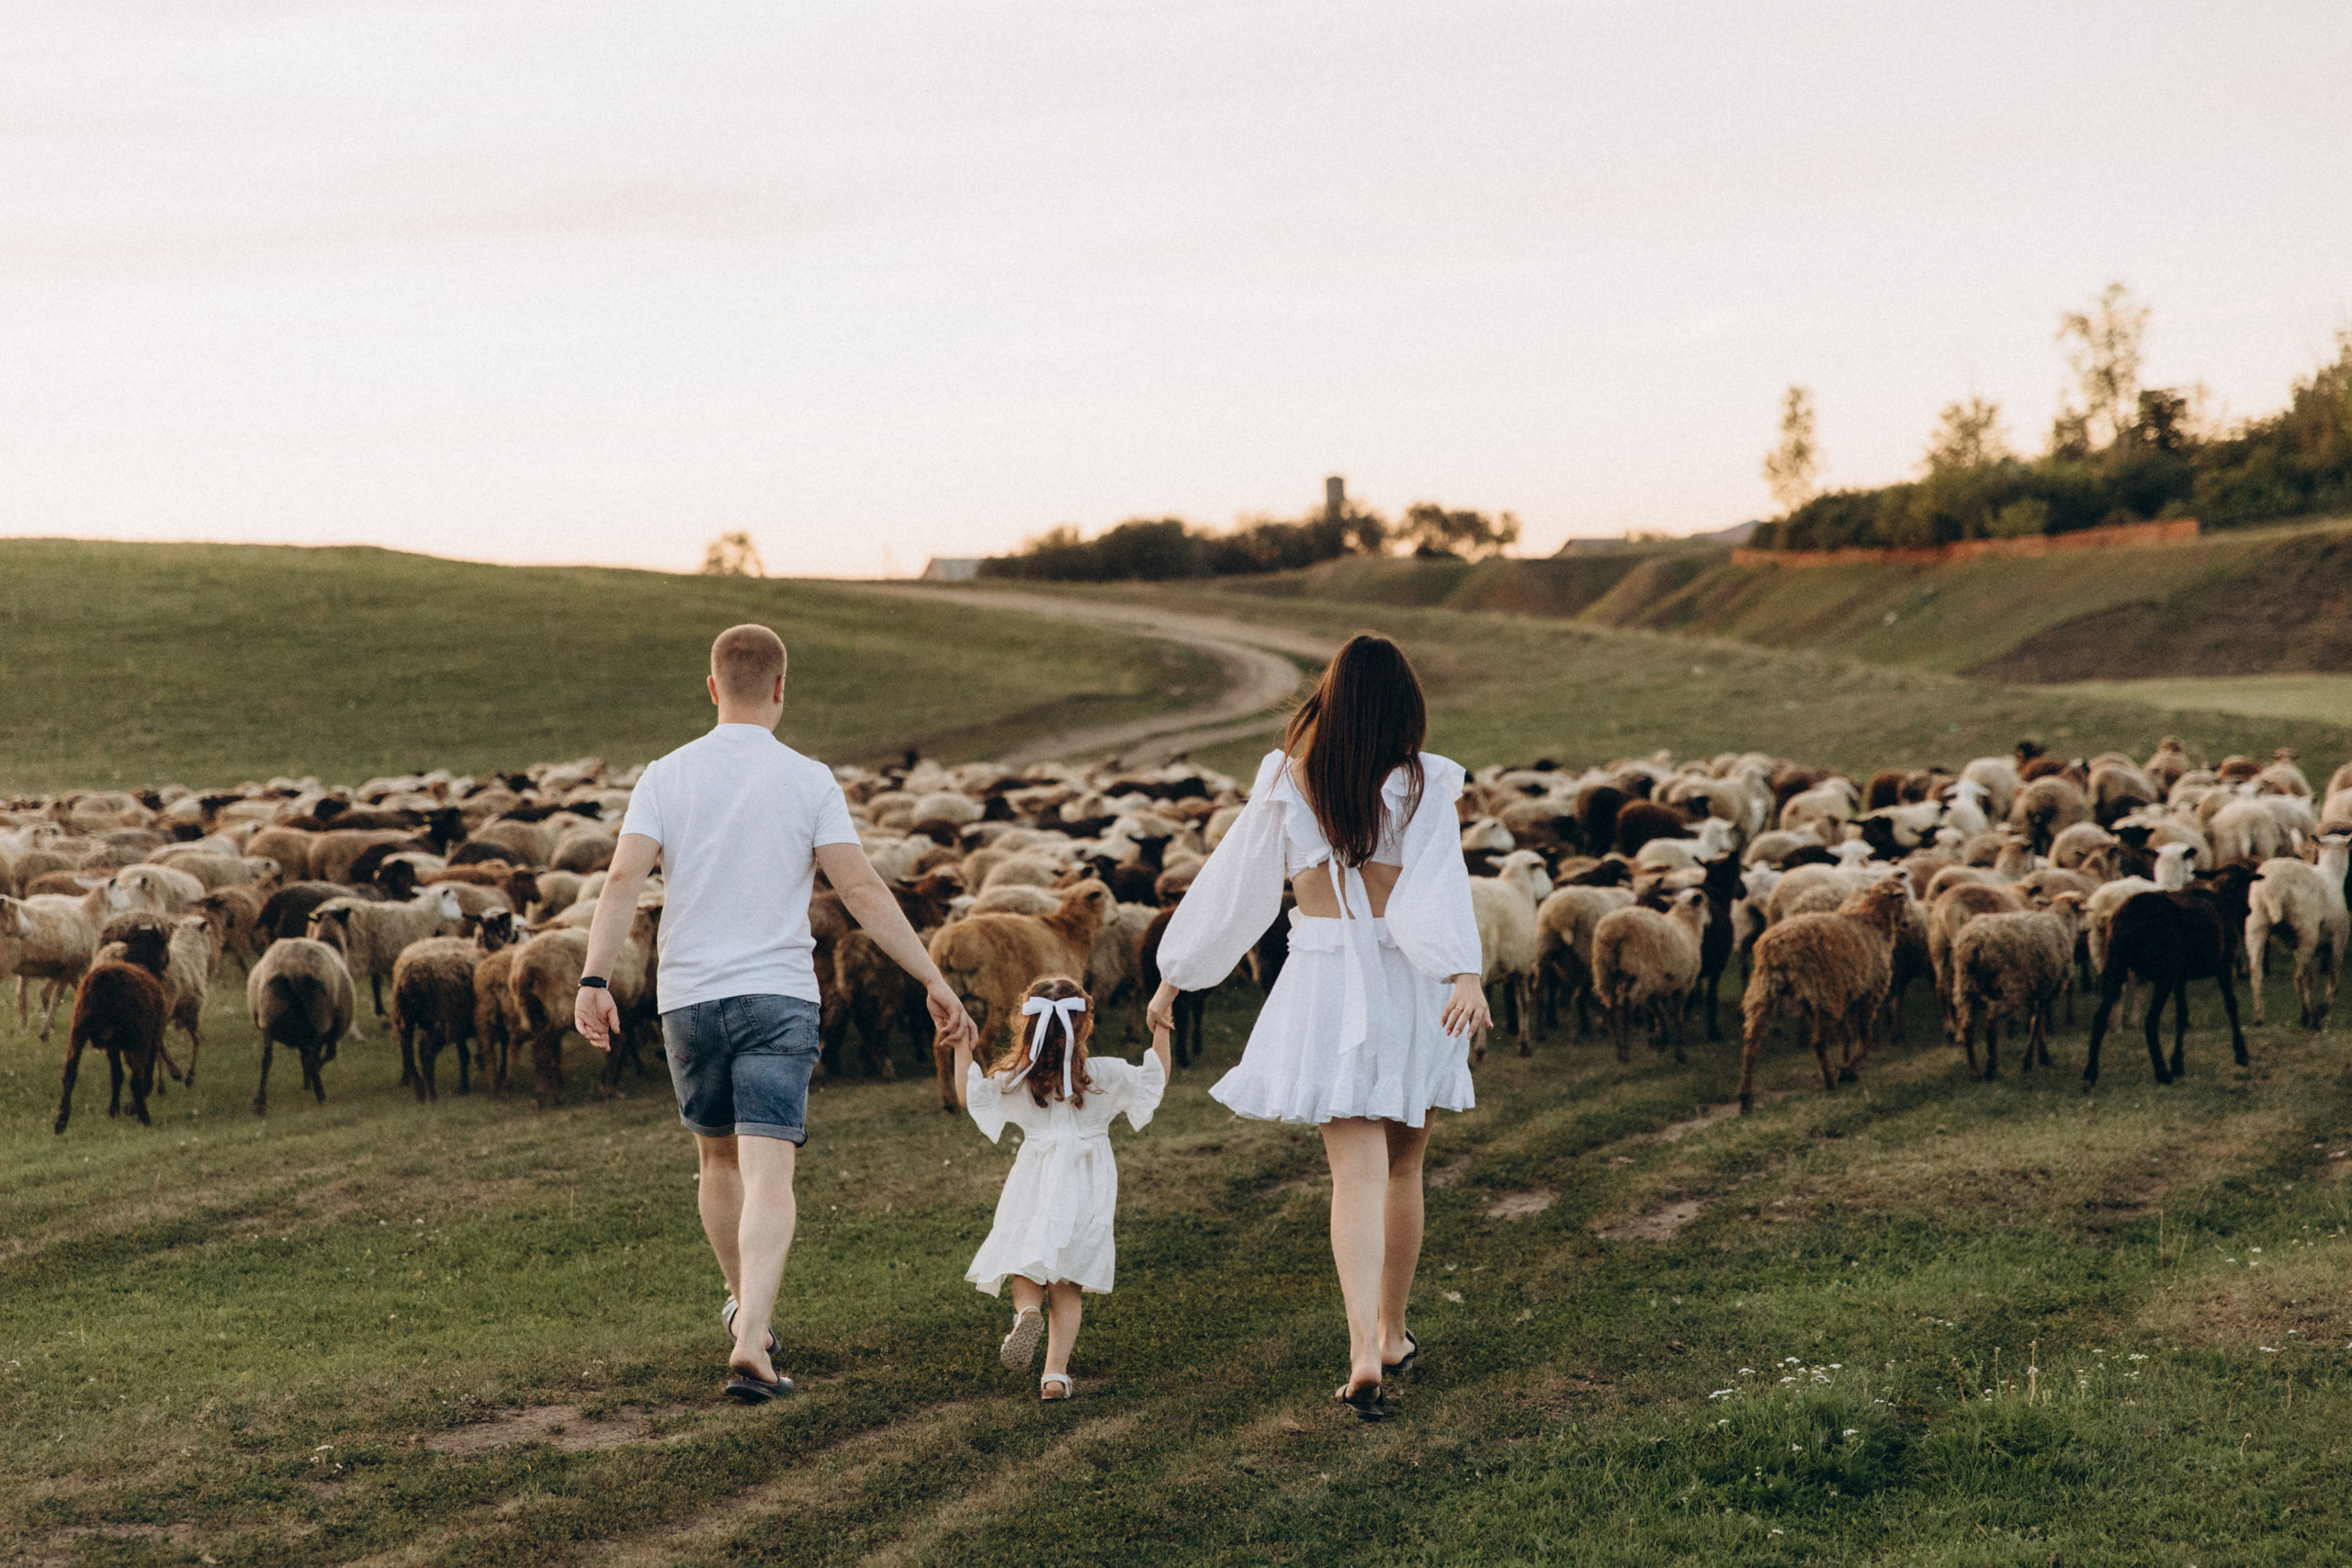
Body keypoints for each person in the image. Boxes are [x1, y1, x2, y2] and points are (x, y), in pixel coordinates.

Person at [575, 624, 978, 1404]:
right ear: (782, 690)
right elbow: (860, 891)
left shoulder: (666, 773)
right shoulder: (808, 778)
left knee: (717, 1162)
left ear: (713, 687)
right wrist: (932, 976)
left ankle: (743, 1310)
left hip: (687, 994)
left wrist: (594, 976)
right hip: (778, 995)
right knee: (770, 1172)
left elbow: (624, 874)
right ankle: (753, 1335)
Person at [1148, 633, 1488, 1421]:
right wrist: (1463, 968)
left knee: (1355, 1175)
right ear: (1407, 705)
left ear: (1328, 702)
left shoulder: (1289, 779)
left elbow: (1235, 887)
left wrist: (1178, 975)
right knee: (1404, 1168)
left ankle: (1363, 1348)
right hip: (1411, 981)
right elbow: (1437, 886)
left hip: (1328, 983)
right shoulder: (1426, 782)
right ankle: (1392, 1332)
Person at [955, 974, 1169, 1403]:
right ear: (1085, 1025)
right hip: (1087, 1181)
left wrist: (963, 1045)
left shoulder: (1018, 1077)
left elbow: (970, 1094)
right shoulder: (1103, 1073)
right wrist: (1161, 1027)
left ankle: (1027, 1312)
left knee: (1025, 1258)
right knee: (1068, 1280)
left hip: (1035, 1176)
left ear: (1026, 1026)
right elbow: (1154, 1079)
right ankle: (1055, 1376)